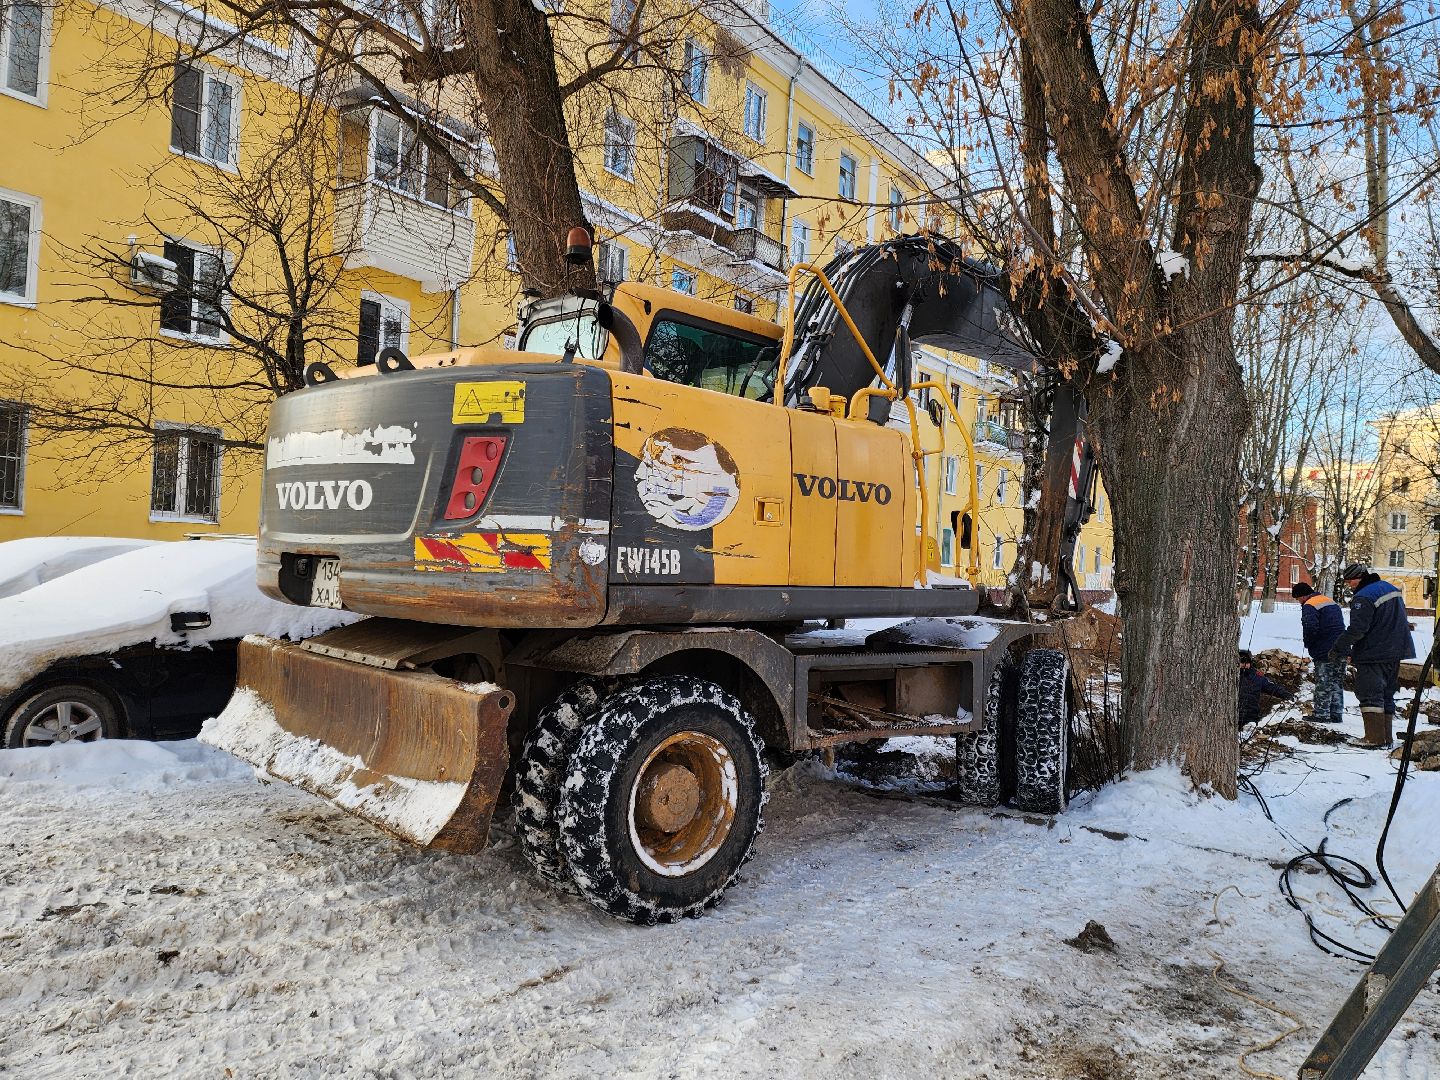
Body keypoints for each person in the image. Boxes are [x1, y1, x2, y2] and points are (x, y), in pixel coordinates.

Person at [1328, 562, 1416, 749]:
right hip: (1396, 650)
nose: (1349, 585)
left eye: (1350, 581)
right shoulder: (1390, 588)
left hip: (1375, 652)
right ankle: (1386, 737)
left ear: (1360, 578)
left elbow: (1358, 629)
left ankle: (1374, 738)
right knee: (1386, 693)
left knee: (1369, 693)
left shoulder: (1364, 597)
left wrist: (1338, 649)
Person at [1291, 581, 1345, 723]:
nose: (1298, 602)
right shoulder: (1329, 601)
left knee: (1324, 681)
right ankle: (1336, 713)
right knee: (1337, 681)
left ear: (1302, 596)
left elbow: (1310, 627)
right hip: (1342, 647)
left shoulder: (1309, 605)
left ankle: (1321, 714)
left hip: (1325, 649)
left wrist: (1309, 644)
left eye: (1297, 599)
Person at [1238, 649, 1294, 728]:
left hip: (1250, 717)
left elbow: (1272, 687)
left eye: (1247, 662)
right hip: (1232, 716)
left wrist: (1286, 695)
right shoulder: (1229, 675)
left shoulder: (1257, 676)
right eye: (1242, 662)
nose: (1244, 665)